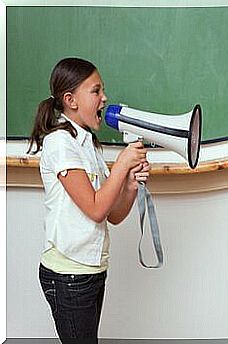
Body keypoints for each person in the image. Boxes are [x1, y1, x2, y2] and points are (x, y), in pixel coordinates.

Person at [27, 57, 150, 343]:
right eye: (96, 91)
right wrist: (121, 165)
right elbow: (94, 209)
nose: (104, 98)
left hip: (92, 271)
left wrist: (130, 184)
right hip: (69, 274)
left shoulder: (88, 144)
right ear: (70, 100)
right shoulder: (60, 143)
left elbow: (113, 214)